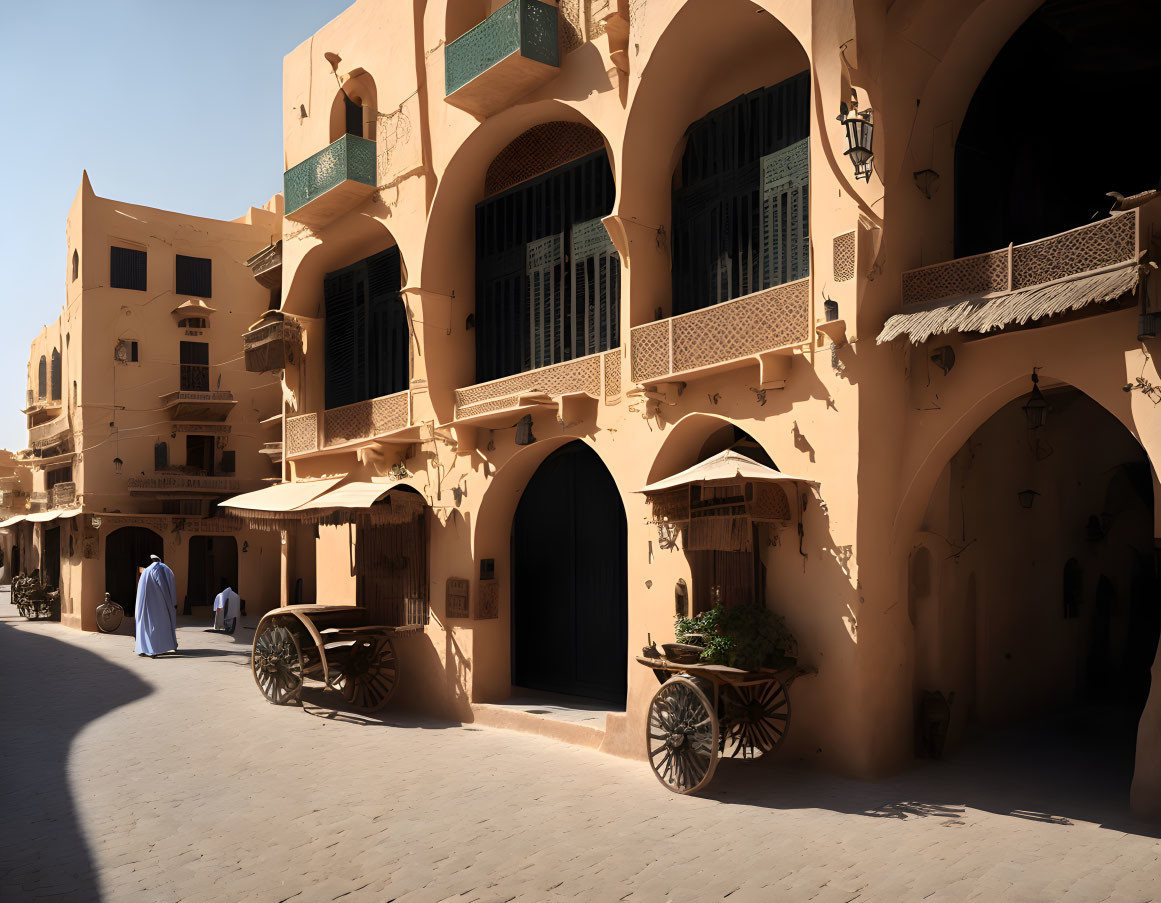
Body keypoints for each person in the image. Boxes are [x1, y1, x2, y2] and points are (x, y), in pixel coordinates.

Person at [134, 554, 177, 658]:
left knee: (145, 625)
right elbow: (165, 587)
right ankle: (155, 649)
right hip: (158, 604)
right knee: (157, 625)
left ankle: (143, 648)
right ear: (160, 560)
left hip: (144, 604)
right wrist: (171, 603)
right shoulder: (160, 569)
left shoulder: (146, 571)